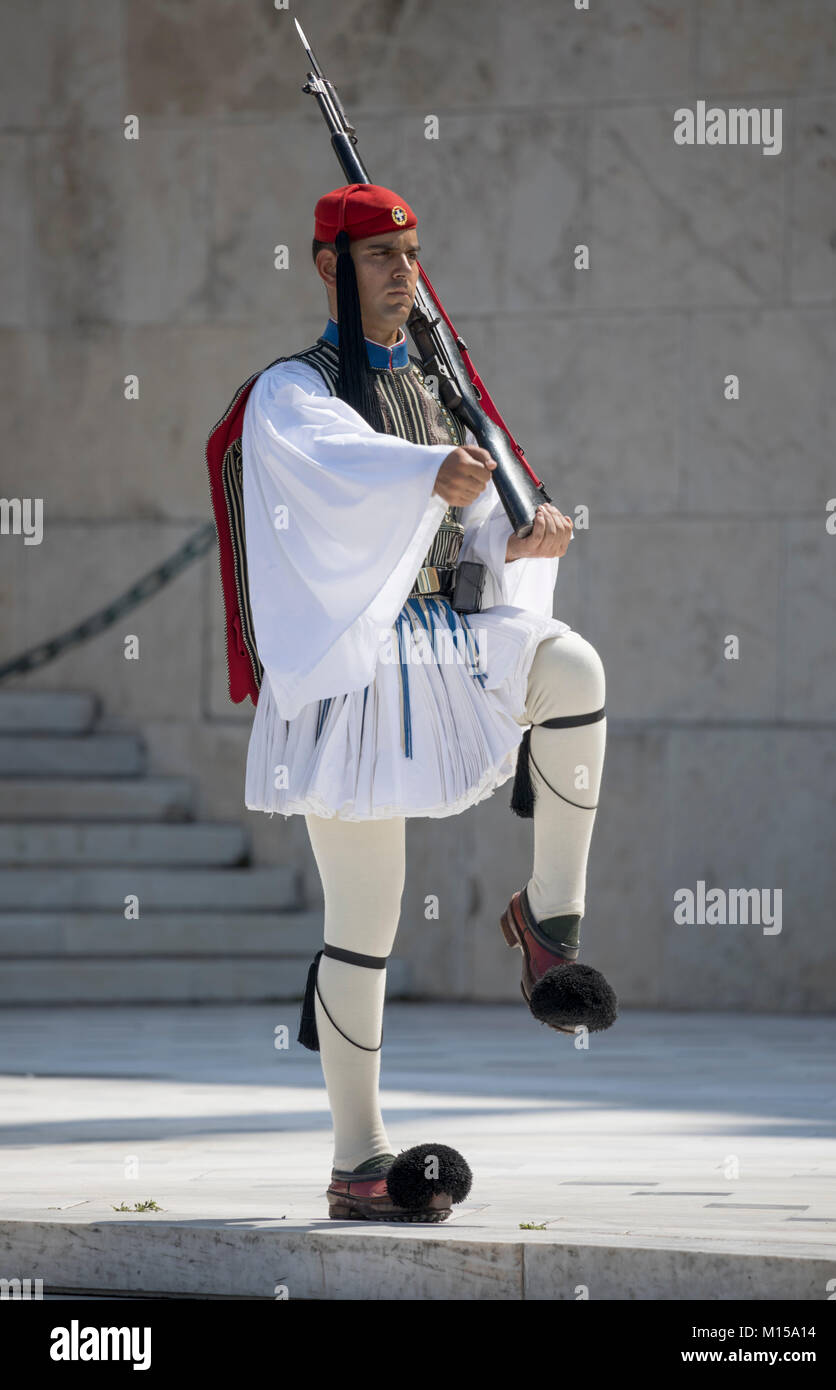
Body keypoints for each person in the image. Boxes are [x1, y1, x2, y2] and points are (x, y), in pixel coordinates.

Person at [227, 182, 615, 1222]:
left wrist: (520, 534)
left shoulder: (443, 396)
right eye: (377, 257)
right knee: (363, 923)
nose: (402, 273)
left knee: (572, 669)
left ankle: (547, 920)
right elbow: (329, 468)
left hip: (443, 648)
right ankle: (359, 1159)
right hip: (349, 676)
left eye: (410, 254)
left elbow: (478, 524)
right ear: (326, 269)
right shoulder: (290, 391)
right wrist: (421, 471)